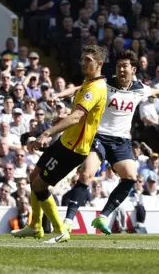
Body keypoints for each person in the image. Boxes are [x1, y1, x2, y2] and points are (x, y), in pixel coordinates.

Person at [56, 50, 159, 234]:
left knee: (131, 177)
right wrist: (59, 95)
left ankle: (103, 217)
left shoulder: (139, 89)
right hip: (99, 137)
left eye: (125, 66)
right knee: (86, 175)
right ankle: (68, 221)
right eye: (119, 66)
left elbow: (155, 90)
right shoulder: (104, 84)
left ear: (133, 69)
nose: (121, 69)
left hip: (121, 141)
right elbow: (80, 88)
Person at [11, 45, 108, 244]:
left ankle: (60, 229)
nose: (84, 63)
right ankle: (35, 226)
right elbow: (77, 105)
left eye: (88, 59)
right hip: (66, 141)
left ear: (99, 64)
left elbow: (77, 117)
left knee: (39, 185)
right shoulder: (89, 83)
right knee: (34, 176)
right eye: (83, 59)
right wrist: (63, 102)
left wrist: (46, 133)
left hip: (73, 149)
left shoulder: (96, 88)